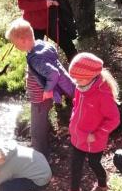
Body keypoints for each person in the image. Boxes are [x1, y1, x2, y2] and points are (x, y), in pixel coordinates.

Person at [58, 53, 121, 191]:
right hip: (78, 137)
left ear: (92, 76)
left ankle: (102, 186)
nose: (76, 82)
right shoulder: (81, 87)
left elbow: (114, 119)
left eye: (79, 79)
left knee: (94, 163)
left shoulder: (103, 94)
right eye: (75, 79)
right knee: (75, 164)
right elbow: (76, 104)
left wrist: (97, 134)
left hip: (94, 141)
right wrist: (73, 123)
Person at [6, 18, 75, 159]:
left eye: (15, 43)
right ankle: (44, 147)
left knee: (37, 129)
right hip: (43, 97)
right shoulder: (40, 45)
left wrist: (48, 90)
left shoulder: (36, 58)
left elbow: (53, 73)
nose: (15, 46)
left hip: (40, 99)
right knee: (41, 123)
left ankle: (40, 156)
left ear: (23, 41)